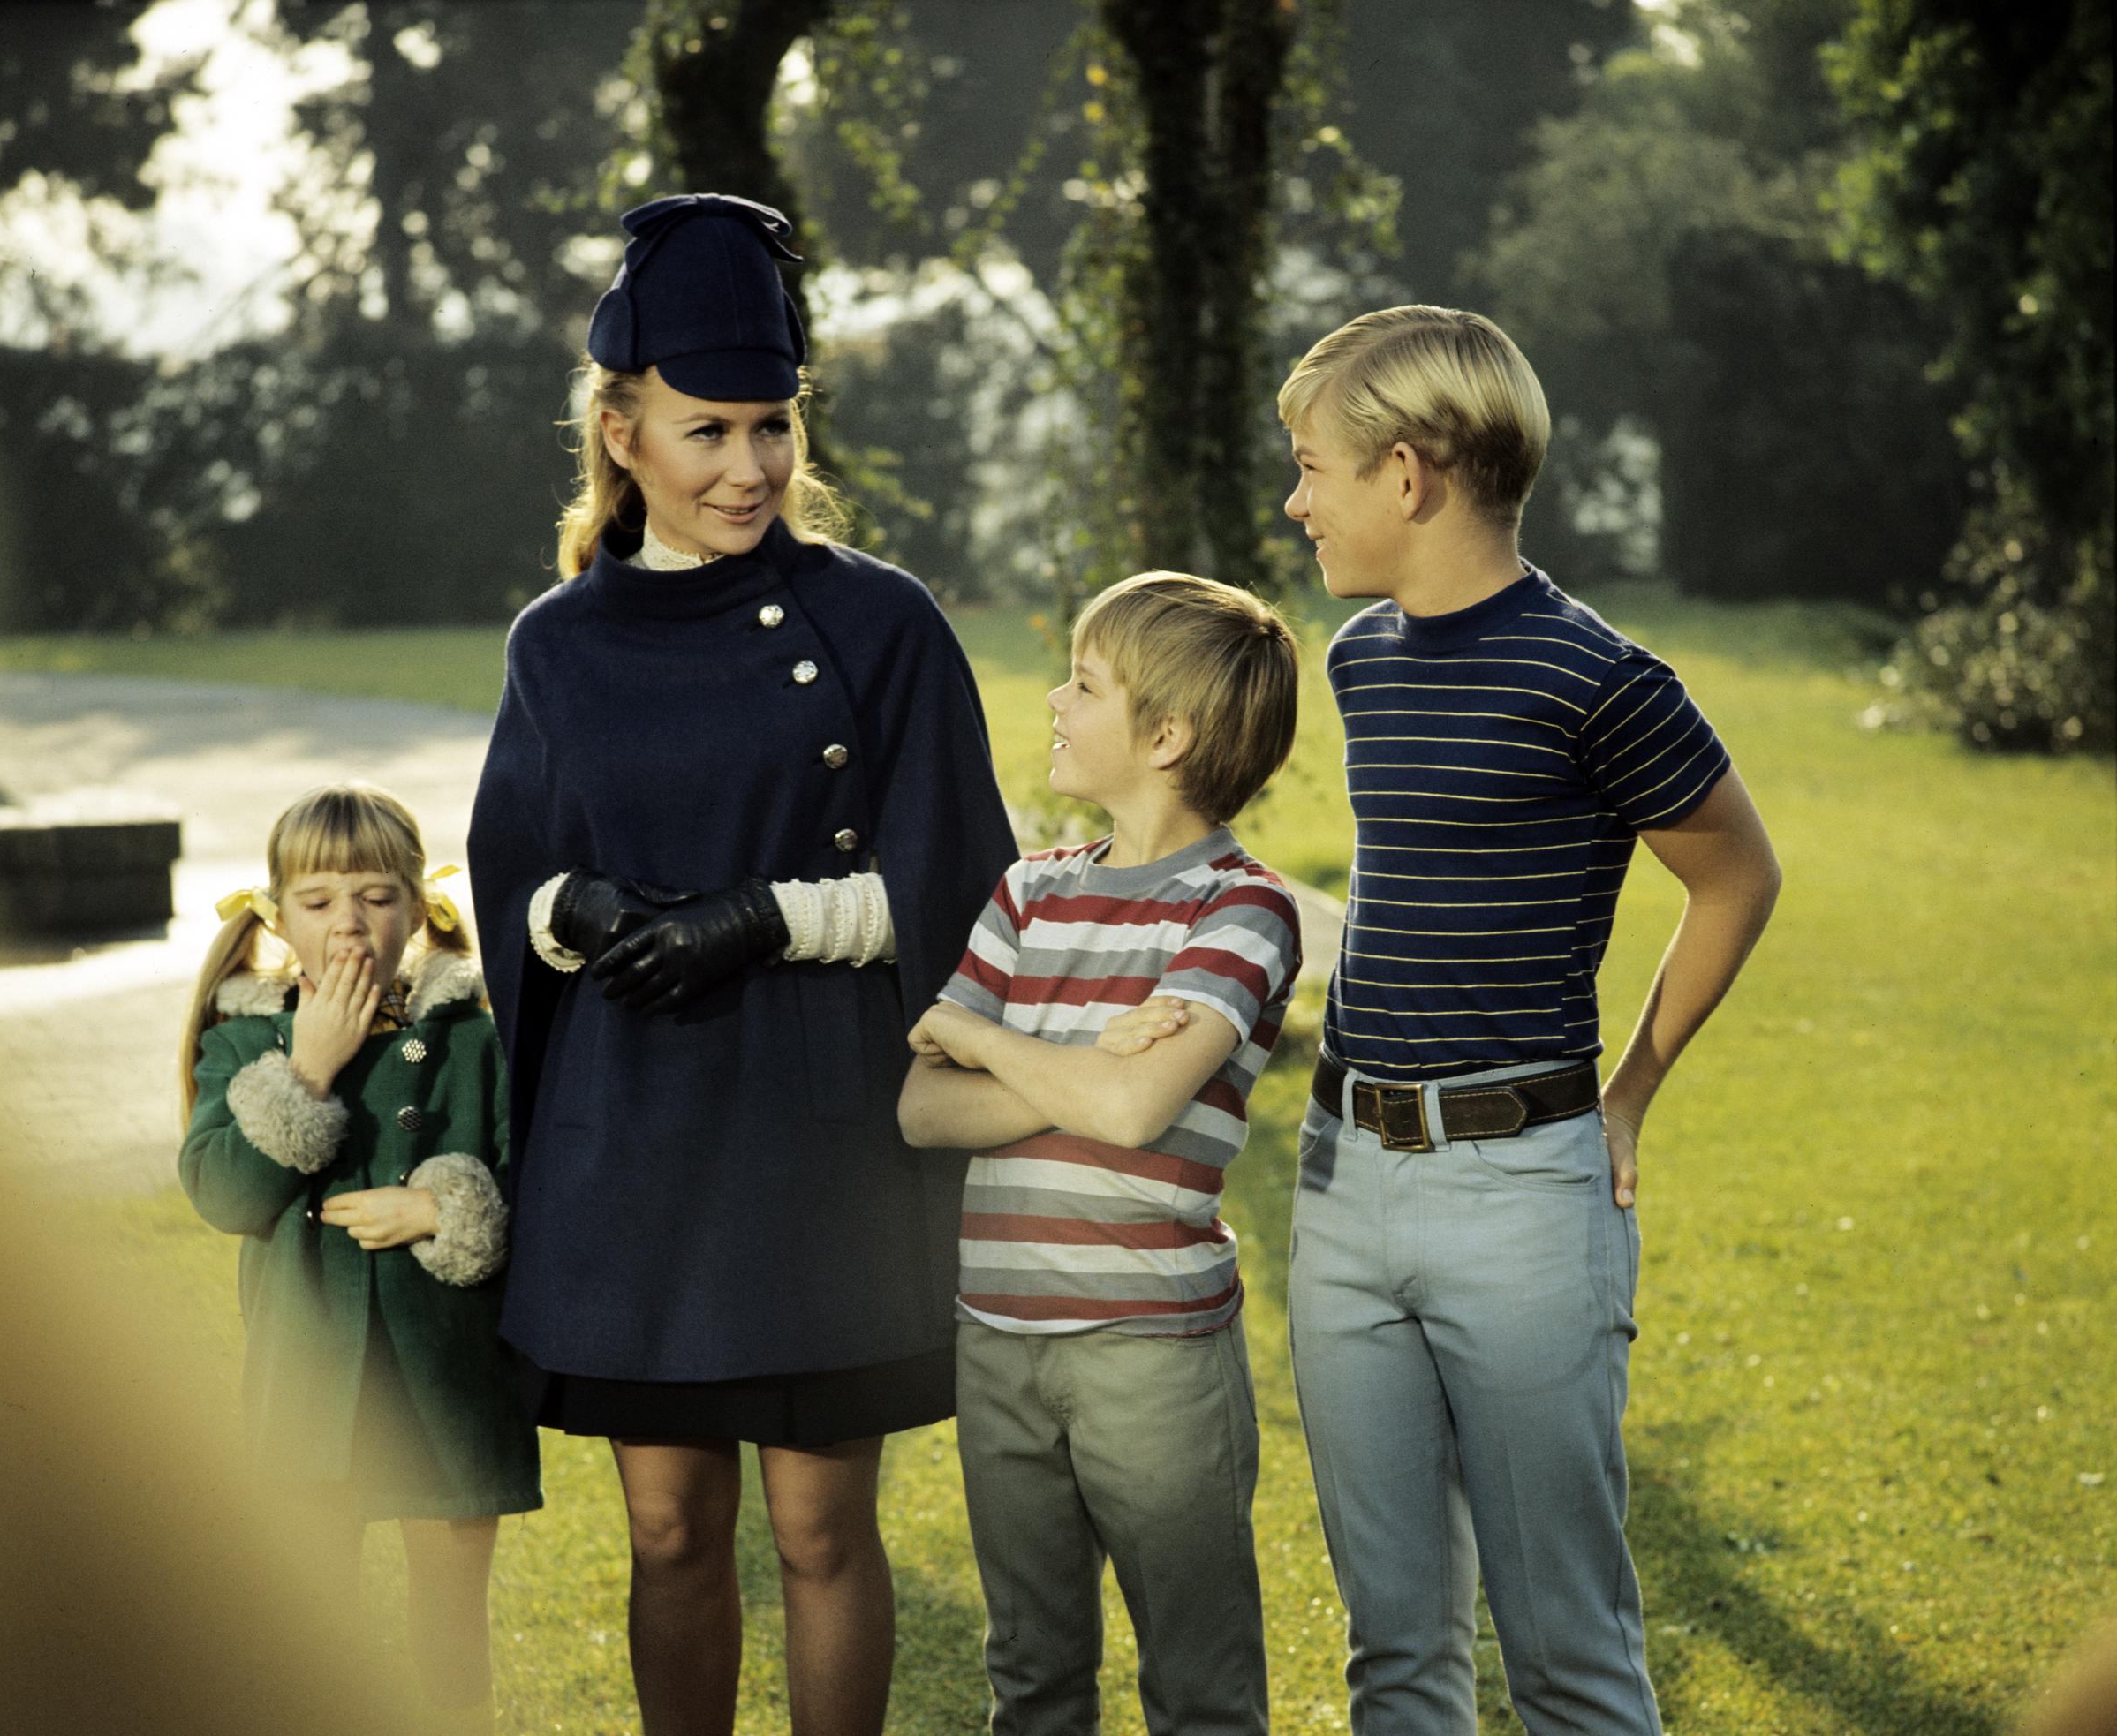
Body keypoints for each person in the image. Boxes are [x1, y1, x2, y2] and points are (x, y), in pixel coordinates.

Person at [466, 192, 1017, 1736]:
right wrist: (590, 910)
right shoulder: (555, 643)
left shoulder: (882, 623)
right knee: (665, 1532)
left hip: (822, 1140)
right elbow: (512, 876)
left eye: (772, 426)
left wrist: (768, 917)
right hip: (636, 1146)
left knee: (824, 1530)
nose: (750, 468)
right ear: (624, 429)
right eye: (708, 431)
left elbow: (971, 882)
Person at [1260, 306, 1782, 1733]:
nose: (1296, 500)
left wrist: (1631, 1091)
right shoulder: (1361, 660)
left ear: (1410, 474)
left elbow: (1738, 878)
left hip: (1523, 1202)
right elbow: (1422, 886)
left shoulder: (1598, 679)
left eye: (1313, 467)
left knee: (1568, 1658)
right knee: (1396, 1653)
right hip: (1344, 1186)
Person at [897, 570, 1304, 1736]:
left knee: (1200, 1691)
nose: (1056, 701)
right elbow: (923, 1109)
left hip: (1154, 1360)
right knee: (1031, 1679)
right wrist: (1087, 1062)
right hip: (1001, 1346)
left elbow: (1130, 1111)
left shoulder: (1241, 910)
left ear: (1166, 735)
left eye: (1084, 683)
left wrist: (988, 1037)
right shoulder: (1028, 891)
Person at [178, 781, 539, 1735]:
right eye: (320, 900)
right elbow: (223, 1195)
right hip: (306, 1381)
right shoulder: (245, 1039)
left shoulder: (475, 1037)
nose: (351, 924)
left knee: (450, 1628)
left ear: (421, 906)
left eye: (379, 896)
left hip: (445, 1379)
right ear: (277, 915)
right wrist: (307, 1068)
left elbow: (535, 1187)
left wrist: (438, 1206)